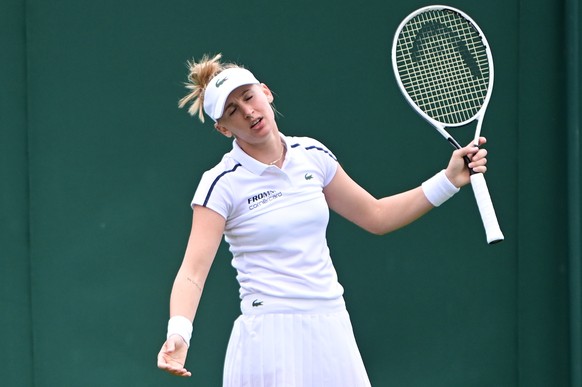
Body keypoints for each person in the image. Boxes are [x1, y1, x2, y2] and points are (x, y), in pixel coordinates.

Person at [157, 53, 489, 386]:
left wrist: (448, 180)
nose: (248, 112)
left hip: (331, 326)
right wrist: (179, 333)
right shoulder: (221, 183)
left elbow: (377, 215)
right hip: (269, 335)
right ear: (223, 129)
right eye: (232, 111)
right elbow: (193, 273)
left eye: (248, 97)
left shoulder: (313, 155)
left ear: (266, 92)